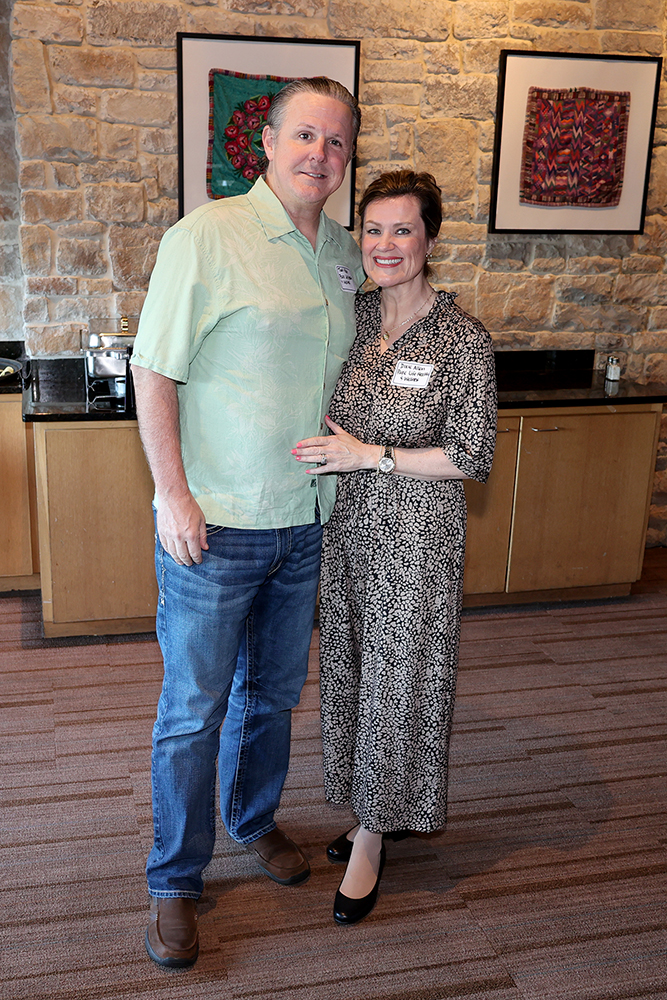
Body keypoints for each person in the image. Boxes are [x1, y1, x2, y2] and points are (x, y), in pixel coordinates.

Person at [130, 77, 364, 968]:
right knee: (192, 712)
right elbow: (155, 370)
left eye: (336, 142)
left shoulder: (344, 253)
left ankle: (252, 818)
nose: (319, 154)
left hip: (305, 521)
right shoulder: (207, 235)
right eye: (304, 135)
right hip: (217, 523)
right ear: (265, 143)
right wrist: (172, 494)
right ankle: (173, 879)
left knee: (271, 697)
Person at [291, 170, 497, 925]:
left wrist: (370, 455)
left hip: (416, 538)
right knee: (350, 670)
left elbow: (472, 455)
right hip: (347, 530)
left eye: (402, 230)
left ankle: (375, 835)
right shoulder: (352, 321)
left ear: (429, 240)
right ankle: (371, 806)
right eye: (373, 230)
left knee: (398, 683)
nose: (384, 245)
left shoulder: (462, 340)